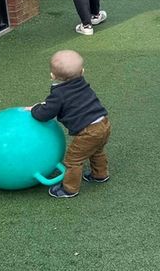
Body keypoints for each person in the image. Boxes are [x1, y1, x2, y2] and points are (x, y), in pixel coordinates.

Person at [27, 50, 111, 198]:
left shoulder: (58, 94)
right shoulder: (82, 83)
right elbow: (67, 102)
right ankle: (100, 174)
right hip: (103, 123)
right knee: (96, 150)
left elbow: (44, 114)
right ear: (82, 71)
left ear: (52, 76)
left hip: (88, 131)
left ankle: (69, 189)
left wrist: (35, 109)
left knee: (73, 160)